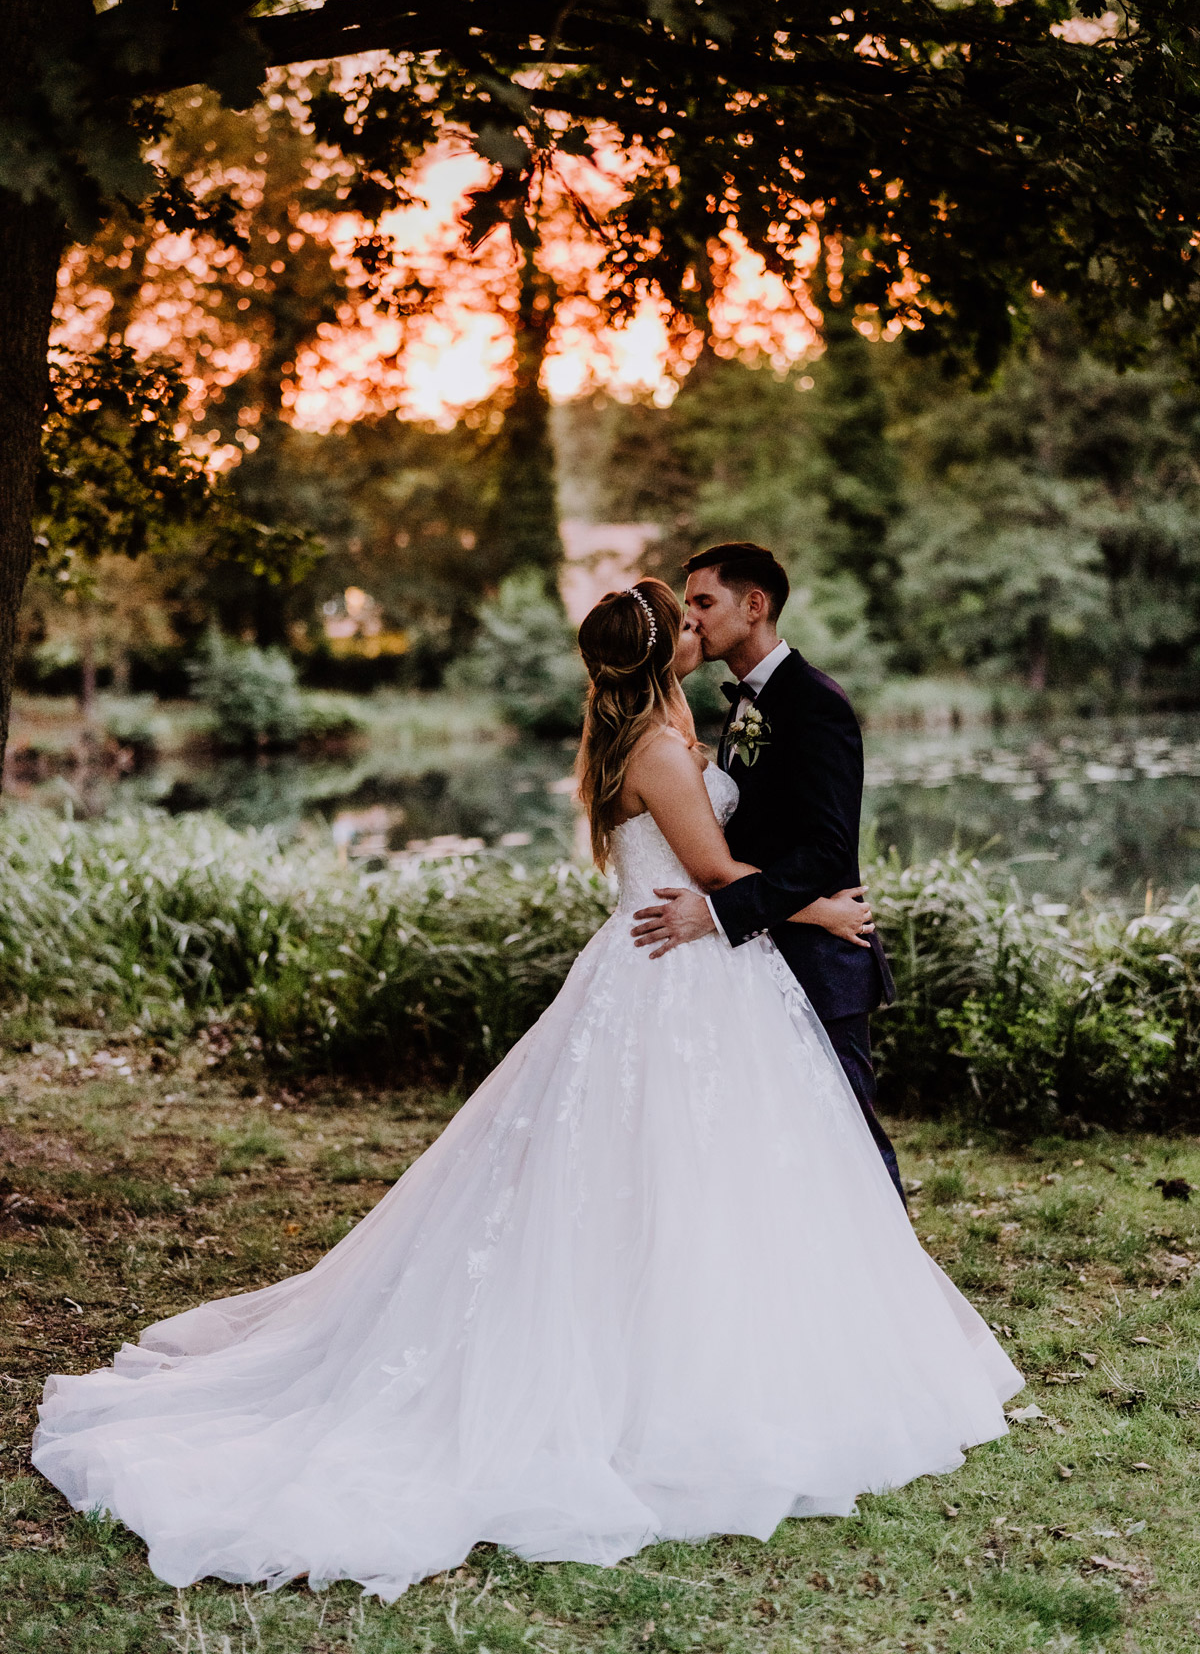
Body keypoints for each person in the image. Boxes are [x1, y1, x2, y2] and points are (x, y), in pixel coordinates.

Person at [32, 578, 1021, 1603]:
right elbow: (719, 873)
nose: (700, 629)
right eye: (685, 621)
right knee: (664, 1171)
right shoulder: (655, 750)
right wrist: (822, 915)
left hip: (680, 969)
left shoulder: (654, 728)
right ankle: (669, 1381)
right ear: (658, 651)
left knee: (710, 1175)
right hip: (676, 978)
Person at [632, 543, 905, 1201]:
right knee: (785, 1146)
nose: (690, 622)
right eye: (686, 608)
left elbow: (826, 853)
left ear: (754, 606)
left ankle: (898, 1292)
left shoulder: (814, 704)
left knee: (850, 1139)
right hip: (755, 965)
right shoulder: (742, 703)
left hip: (819, 956)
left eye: (702, 603)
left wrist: (720, 911)